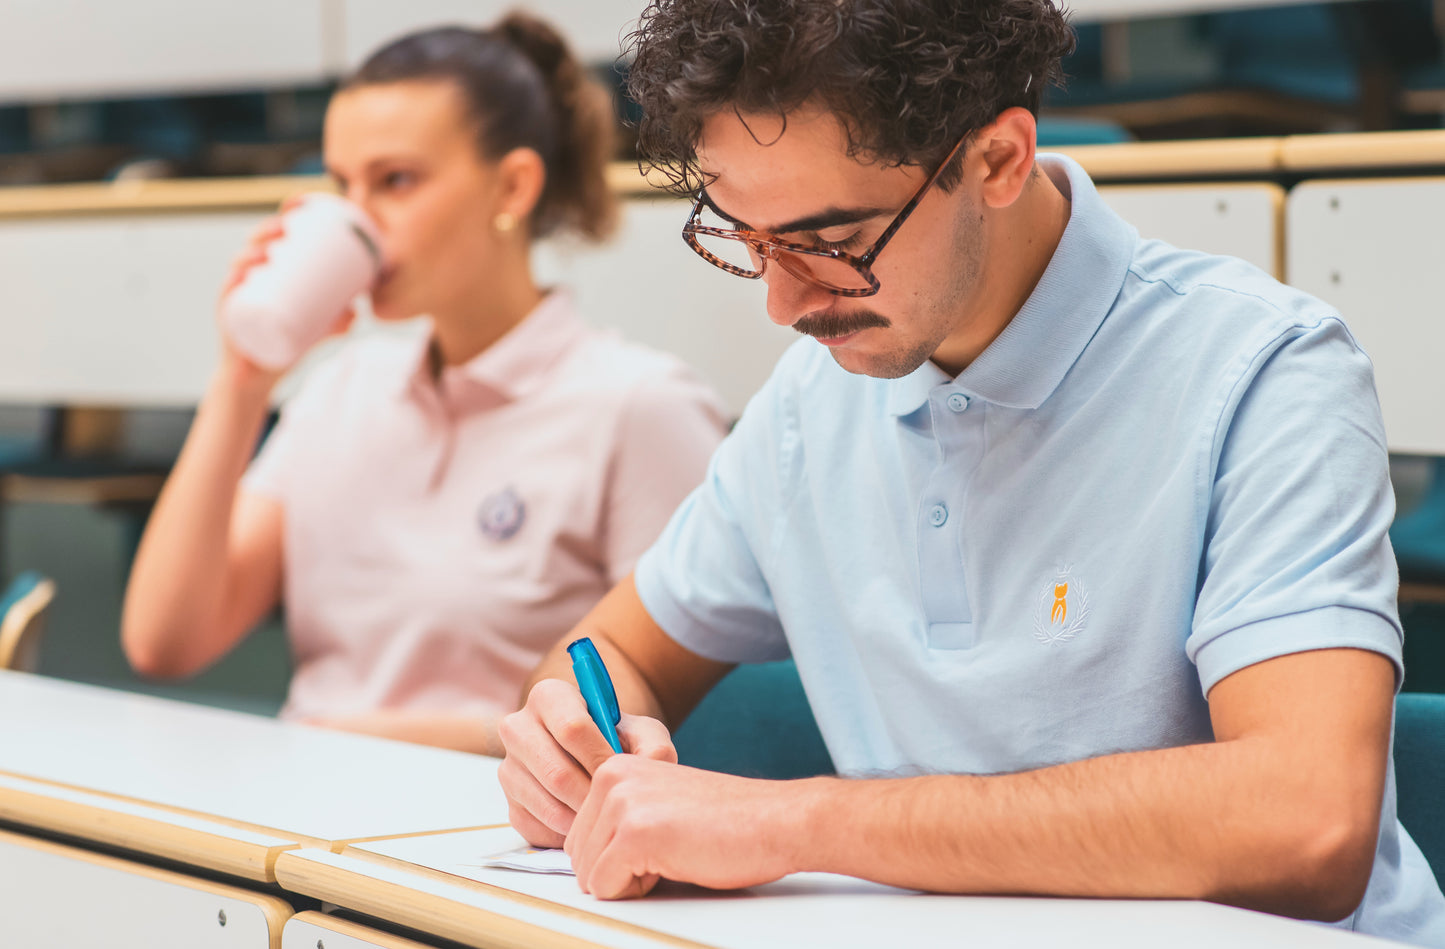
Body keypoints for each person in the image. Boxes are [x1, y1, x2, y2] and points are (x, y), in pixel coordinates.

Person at [495, 1, 1445, 943]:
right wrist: (570, 745)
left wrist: (792, 821)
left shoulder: (1261, 368)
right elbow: (605, 658)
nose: (782, 303)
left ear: (995, 161)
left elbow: (1304, 821)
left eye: (829, 244)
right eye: (744, 237)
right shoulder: (804, 406)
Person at [121, 13, 728, 756]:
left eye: (395, 181)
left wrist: (457, 738)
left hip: (493, 831)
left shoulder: (639, 404)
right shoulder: (345, 386)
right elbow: (164, 641)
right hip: (299, 806)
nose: (357, 218)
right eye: (342, 183)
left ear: (512, 187)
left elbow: (682, 706)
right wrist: (243, 380)